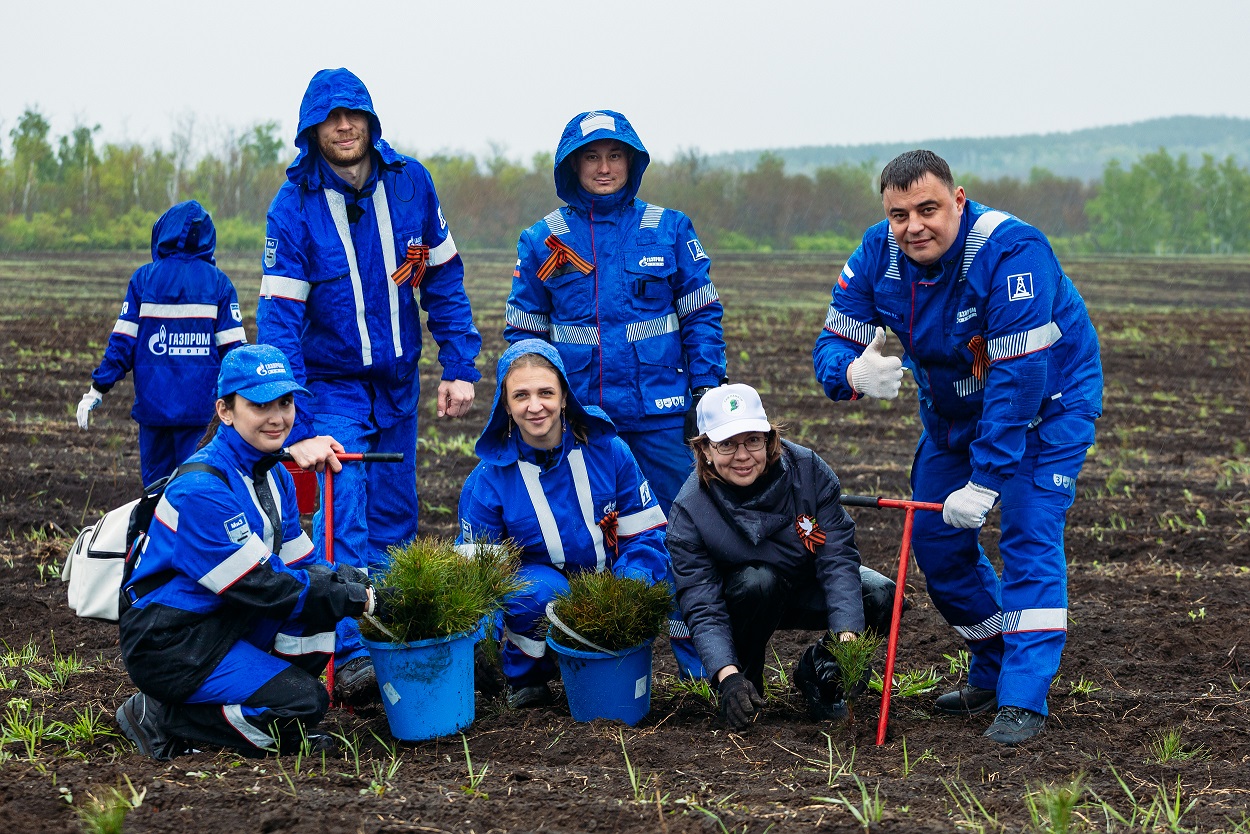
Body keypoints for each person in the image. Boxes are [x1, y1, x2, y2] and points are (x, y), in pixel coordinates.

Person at [812, 150, 1103, 745]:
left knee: (1026, 532)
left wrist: (986, 481)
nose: (914, 225)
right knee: (939, 549)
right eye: (899, 214)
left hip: (1046, 409)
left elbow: (1020, 381)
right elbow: (832, 341)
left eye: (928, 208)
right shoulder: (877, 253)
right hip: (952, 414)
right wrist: (851, 375)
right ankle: (993, 668)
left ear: (959, 200)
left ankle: (1024, 699)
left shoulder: (1012, 250)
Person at [256, 68, 481, 704]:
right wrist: (290, 414)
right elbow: (278, 319)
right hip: (330, 387)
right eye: (331, 119)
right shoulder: (292, 207)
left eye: (354, 115)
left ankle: (386, 636)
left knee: (394, 513)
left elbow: (443, 279)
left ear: (371, 122)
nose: (344, 127)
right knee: (344, 511)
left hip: (399, 382)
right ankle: (349, 652)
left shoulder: (412, 184)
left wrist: (459, 364)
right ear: (312, 132)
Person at [115, 344, 385, 760]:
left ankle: (255, 704)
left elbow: (302, 565)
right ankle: (161, 717)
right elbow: (261, 585)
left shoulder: (273, 473)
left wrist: (360, 586)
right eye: (260, 405)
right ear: (225, 410)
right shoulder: (202, 489)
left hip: (224, 616)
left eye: (286, 401)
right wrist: (353, 597)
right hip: (173, 642)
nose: (278, 417)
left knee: (318, 621)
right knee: (306, 702)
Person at [503, 109, 726, 516]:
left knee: (683, 521)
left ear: (632, 161)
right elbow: (525, 336)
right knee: (588, 523)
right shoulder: (541, 240)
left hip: (661, 414)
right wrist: (532, 401)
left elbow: (701, 316)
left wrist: (705, 389)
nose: (604, 168)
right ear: (572, 164)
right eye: (591, 157)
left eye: (615, 156)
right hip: (582, 417)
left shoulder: (670, 229)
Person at [456, 339, 675, 708]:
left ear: (564, 397)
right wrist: (480, 644)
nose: (535, 406)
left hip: (610, 587)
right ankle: (528, 677)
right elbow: (481, 576)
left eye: (546, 392)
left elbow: (646, 536)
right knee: (537, 590)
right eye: (521, 396)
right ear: (505, 406)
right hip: (544, 595)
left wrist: (623, 592)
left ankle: (607, 661)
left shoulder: (610, 451)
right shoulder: (487, 481)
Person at [666, 384, 899, 730]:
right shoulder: (690, 509)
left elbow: (837, 559)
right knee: (757, 581)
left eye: (753, 440)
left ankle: (820, 673)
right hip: (746, 598)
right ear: (705, 450)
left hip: (805, 584)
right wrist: (726, 676)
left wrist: (847, 642)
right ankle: (745, 686)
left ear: (769, 439)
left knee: (882, 597)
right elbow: (702, 603)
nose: (742, 455)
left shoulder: (808, 471)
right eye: (727, 444)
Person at [76, 200, 246, 489]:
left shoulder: (143, 280)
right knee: (198, 491)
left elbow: (122, 344)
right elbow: (235, 355)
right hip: (200, 415)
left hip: (153, 413)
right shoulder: (219, 284)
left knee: (155, 493)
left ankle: (153, 535)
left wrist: (97, 388)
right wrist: (247, 401)